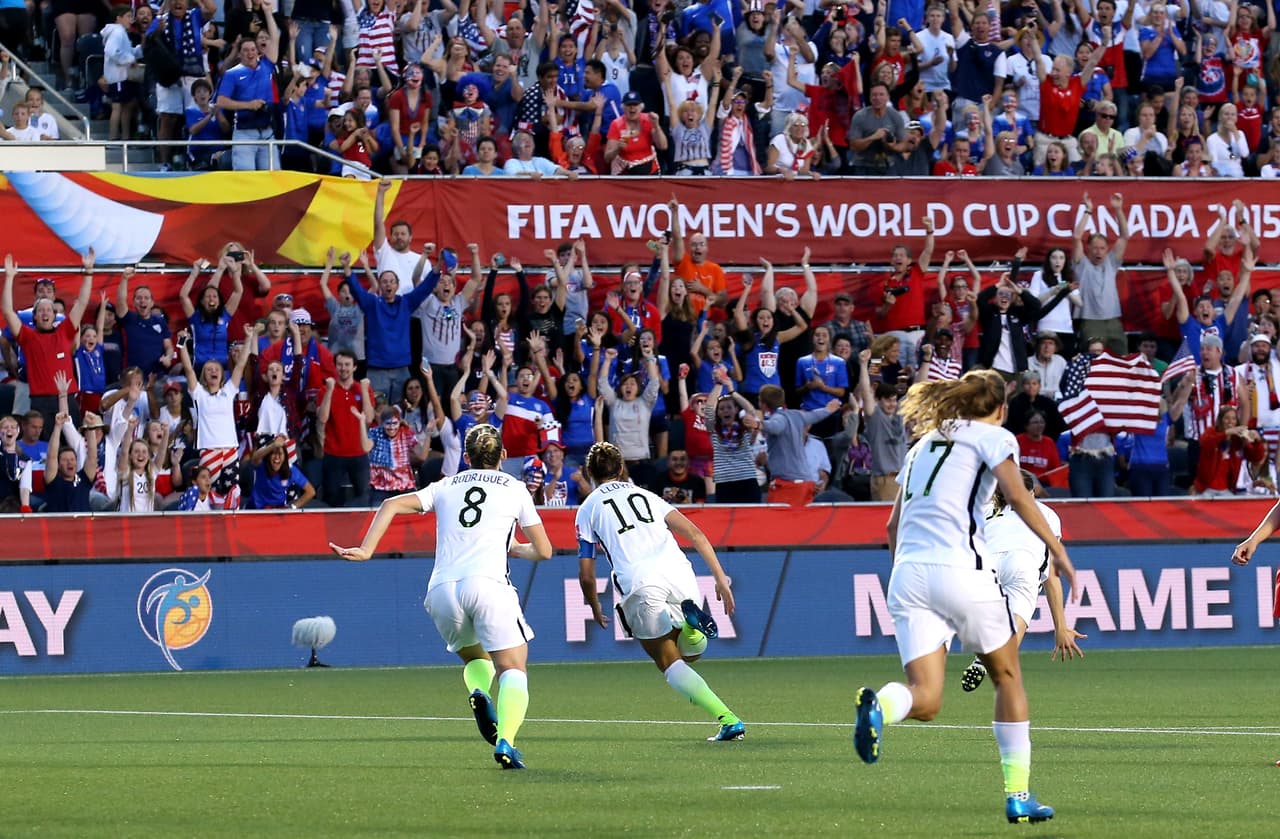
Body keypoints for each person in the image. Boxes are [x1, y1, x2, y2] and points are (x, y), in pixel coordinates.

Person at [853, 370, 1076, 827]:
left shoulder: (921, 447)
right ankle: (1018, 795)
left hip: (907, 577)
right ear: (999, 408)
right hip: (961, 570)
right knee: (1007, 676)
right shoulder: (993, 438)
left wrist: (906, 575)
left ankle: (881, 707)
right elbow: (1018, 496)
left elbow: (891, 527)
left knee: (927, 699)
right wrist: (1057, 549)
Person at [331, 424, 551, 768]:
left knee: (478, 660)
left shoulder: (447, 485)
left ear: (466, 458)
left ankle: (478, 692)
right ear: (503, 457)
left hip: (442, 591)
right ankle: (506, 742)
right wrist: (515, 549)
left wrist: (365, 549)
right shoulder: (515, 487)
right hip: (488, 585)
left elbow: (390, 504)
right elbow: (545, 550)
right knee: (513, 667)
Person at [575, 440, 744, 743]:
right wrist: (720, 578)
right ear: (622, 469)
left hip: (639, 581)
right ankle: (690, 627)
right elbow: (696, 533)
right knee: (691, 654)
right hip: (679, 571)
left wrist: (592, 604)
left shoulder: (587, 509)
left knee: (669, 661)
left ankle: (729, 719)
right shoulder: (647, 495)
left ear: (590, 472)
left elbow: (586, 574)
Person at [959, 469, 1085, 693]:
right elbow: (1052, 576)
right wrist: (1061, 627)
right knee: (1018, 618)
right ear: (1031, 491)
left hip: (986, 565)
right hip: (1021, 563)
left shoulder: (986, 510)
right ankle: (986, 663)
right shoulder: (1046, 514)